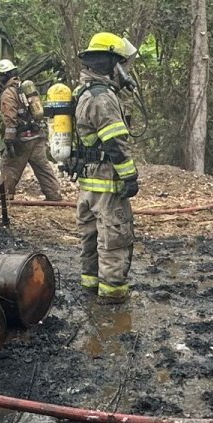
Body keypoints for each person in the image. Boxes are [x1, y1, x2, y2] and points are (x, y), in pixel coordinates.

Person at [73, 33, 140, 304]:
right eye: (121, 64)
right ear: (112, 63)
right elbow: (114, 141)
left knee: (90, 236)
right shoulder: (103, 98)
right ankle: (113, 293)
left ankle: (91, 284)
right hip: (107, 180)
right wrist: (130, 176)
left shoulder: (84, 91)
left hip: (88, 181)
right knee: (115, 237)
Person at [0, 59, 63, 201]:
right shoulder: (23, 88)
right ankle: (54, 194)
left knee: (9, 165)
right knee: (43, 168)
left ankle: (4, 195)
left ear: (2, 76)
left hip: (22, 138)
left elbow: (10, 118)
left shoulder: (8, 93)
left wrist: (9, 140)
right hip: (37, 135)